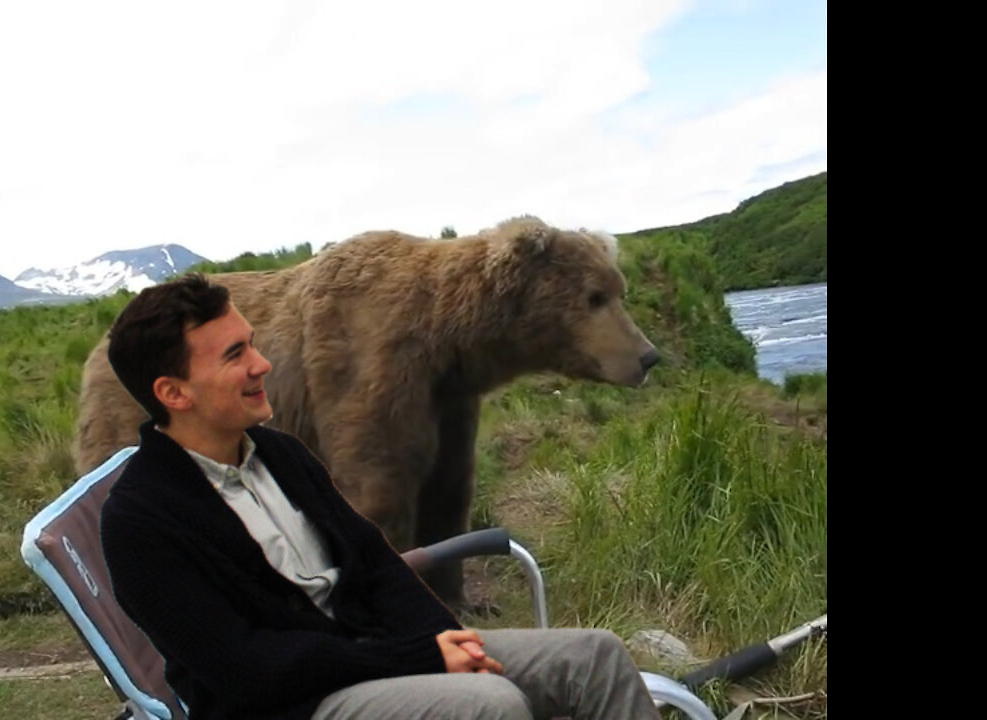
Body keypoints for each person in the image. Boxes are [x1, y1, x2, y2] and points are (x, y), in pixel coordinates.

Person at [99, 272, 662, 720]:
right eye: (234, 355)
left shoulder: (278, 454)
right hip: (293, 705)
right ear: (173, 392)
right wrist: (420, 659)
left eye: (252, 344)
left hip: (378, 654)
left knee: (597, 658)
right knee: (491, 707)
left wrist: (445, 640)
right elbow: (250, 671)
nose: (261, 364)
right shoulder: (141, 521)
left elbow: (372, 561)